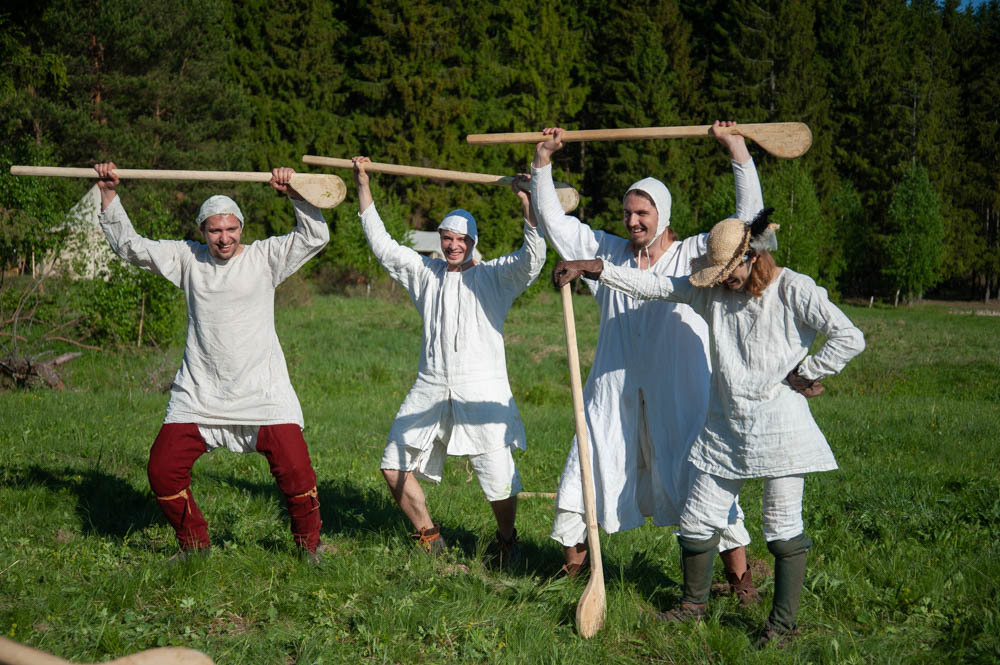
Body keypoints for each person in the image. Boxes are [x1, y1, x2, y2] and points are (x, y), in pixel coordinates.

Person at [552, 208, 865, 646]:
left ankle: (782, 626)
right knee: (698, 520)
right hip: (725, 428)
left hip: (782, 430)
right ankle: (692, 606)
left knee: (781, 525)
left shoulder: (793, 288)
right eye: (715, 272)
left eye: (729, 270)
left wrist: (809, 370)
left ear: (753, 257)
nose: (722, 279)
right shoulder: (712, 293)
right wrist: (597, 267)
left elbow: (849, 336)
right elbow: (657, 285)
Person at [530, 122, 761, 602]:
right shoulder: (607, 250)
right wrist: (543, 163)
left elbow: (748, 225)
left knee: (701, 480)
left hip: (681, 392)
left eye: (643, 213)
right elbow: (556, 224)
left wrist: (738, 152)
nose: (633, 221)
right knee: (586, 468)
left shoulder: (693, 254)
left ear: (663, 213)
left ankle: (741, 582)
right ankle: (573, 579)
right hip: (612, 390)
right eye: (628, 213)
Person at [94, 162, 332, 563]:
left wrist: (293, 192)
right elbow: (130, 246)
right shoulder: (188, 259)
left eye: (231, 229)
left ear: (242, 227)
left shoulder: (264, 258)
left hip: (263, 391)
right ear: (202, 231)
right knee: (162, 469)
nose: (224, 238)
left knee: (297, 473)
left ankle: (310, 546)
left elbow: (315, 235)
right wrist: (108, 194)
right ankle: (193, 545)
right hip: (201, 392)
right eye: (215, 230)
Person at [352, 156, 546, 566]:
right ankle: (429, 536)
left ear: (473, 241)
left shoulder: (494, 276)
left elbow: (533, 260)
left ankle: (508, 540)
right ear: (440, 240)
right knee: (392, 465)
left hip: (482, 386)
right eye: (447, 238)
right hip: (431, 383)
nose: (453, 245)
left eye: (461, 239)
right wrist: (363, 183)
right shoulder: (426, 274)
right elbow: (383, 246)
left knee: (497, 475)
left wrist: (528, 207)